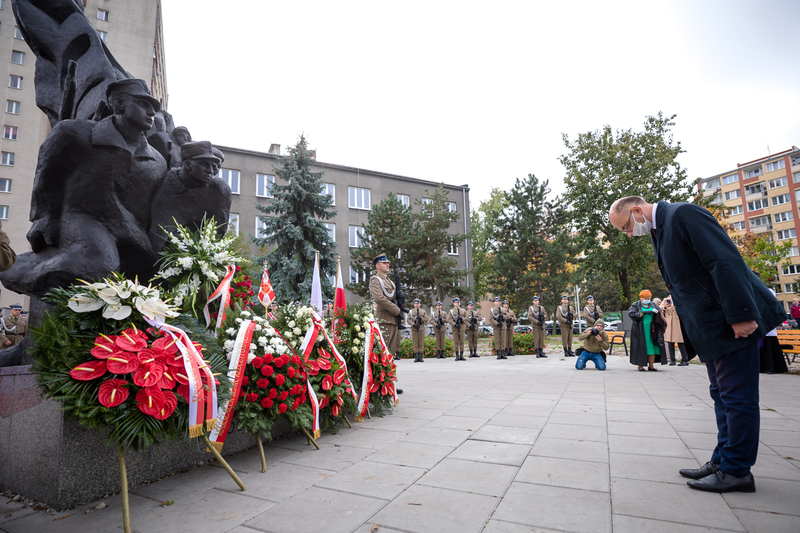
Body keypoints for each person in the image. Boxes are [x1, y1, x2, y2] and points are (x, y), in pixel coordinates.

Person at [610, 195, 785, 494]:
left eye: (626, 227)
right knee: (721, 394)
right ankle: (722, 460)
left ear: (637, 211)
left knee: (737, 397)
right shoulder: (660, 230)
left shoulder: (683, 215)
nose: (629, 234)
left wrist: (741, 313)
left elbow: (724, 261)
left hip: (730, 320)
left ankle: (736, 470)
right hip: (713, 326)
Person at [1, 79, 168, 296]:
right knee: (99, 264)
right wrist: (45, 219)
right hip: (80, 218)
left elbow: (147, 210)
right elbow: (48, 175)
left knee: (154, 275)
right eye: (143, 105)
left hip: (127, 227)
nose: (150, 112)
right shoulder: (74, 133)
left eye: (153, 108)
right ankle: (18, 271)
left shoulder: (157, 161)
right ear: (119, 104)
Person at [148, 140, 231, 255]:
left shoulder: (218, 190)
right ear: (187, 165)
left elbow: (217, 233)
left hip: (194, 259)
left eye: (213, 166)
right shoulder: (163, 182)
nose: (210, 171)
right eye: (204, 164)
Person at [369, 253, 402, 394]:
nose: (388, 265)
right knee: (383, 353)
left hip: (393, 321)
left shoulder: (390, 281)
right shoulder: (375, 280)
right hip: (384, 320)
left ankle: (390, 383)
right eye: (384, 263)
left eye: (388, 263)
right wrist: (397, 309)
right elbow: (379, 299)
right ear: (377, 266)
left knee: (391, 353)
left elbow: (392, 298)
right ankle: (380, 386)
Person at [629, 289, 666, 371]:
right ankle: (641, 366)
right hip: (640, 329)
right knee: (641, 346)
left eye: (648, 298)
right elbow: (631, 314)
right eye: (646, 298)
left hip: (652, 329)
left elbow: (660, 311)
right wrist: (639, 314)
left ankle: (651, 366)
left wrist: (658, 312)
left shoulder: (652, 304)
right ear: (641, 298)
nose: (647, 300)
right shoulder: (635, 305)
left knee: (652, 346)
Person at [663, 295, 689, 366]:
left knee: (680, 341)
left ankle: (685, 359)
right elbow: (660, 308)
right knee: (670, 342)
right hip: (669, 322)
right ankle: (672, 360)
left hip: (677, 322)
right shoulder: (666, 299)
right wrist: (665, 306)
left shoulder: (679, 298)